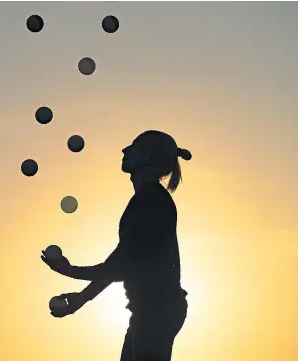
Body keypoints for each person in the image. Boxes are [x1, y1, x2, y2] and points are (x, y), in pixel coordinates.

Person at [41, 130, 192, 361]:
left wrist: (69, 271)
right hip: (152, 310)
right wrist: (82, 298)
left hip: (157, 311)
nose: (125, 150)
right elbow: (120, 261)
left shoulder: (150, 201)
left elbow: (120, 267)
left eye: (134, 146)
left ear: (149, 159)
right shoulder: (148, 199)